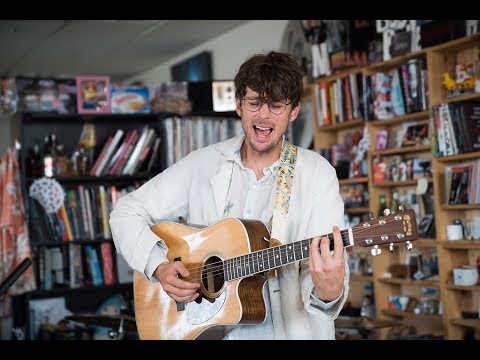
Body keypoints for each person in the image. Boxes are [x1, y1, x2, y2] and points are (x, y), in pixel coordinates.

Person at [109, 51, 349, 340]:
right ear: (238, 104)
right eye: (254, 103)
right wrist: (158, 266)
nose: (263, 115)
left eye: (276, 105)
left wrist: (329, 289)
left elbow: (321, 278)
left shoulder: (317, 174)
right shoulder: (202, 164)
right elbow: (125, 211)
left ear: (293, 111)